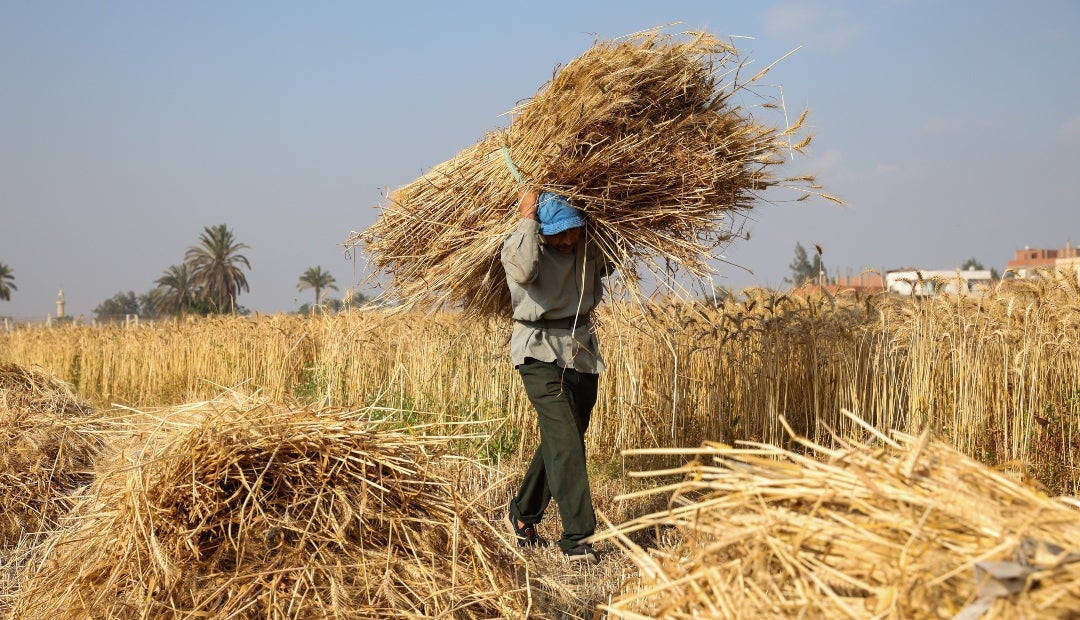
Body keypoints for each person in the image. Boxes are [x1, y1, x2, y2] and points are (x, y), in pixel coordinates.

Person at [501, 187, 611, 564]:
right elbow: (527, 270)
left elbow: (609, 263)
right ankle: (577, 538)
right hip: (538, 349)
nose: (567, 239)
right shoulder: (521, 245)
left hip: (580, 349)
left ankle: (523, 513)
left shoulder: (584, 242)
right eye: (558, 232)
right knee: (565, 438)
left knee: (562, 437)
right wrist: (529, 216)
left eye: (573, 229)